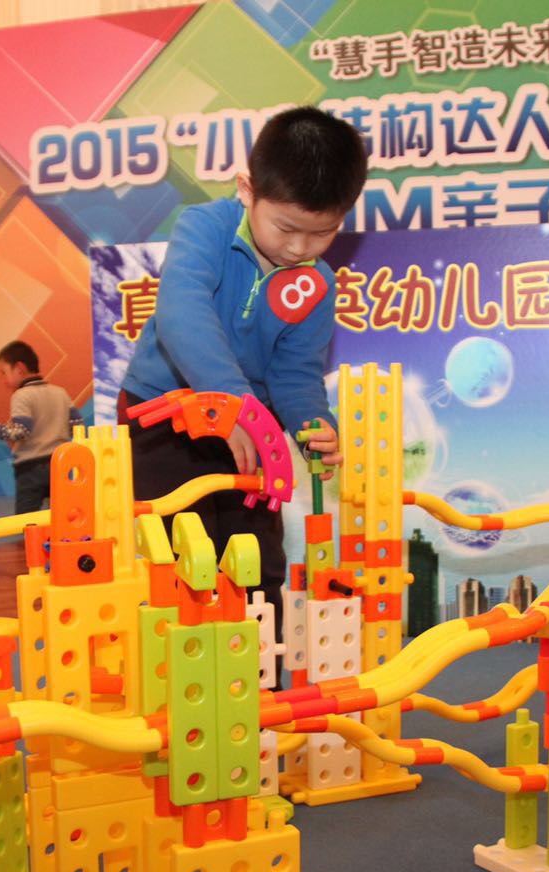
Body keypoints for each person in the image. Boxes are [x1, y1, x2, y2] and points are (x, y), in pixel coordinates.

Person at [117, 104, 367, 626]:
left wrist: (312, 425)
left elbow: (295, 373)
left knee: (255, 560)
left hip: (249, 432)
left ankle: (261, 670)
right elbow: (183, 314)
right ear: (247, 190)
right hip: (164, 417)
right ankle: (175, 666)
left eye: (322, 234)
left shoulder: (317, 285)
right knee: (177, 556)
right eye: (286, 228)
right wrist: (234, 405)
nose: (299, 248)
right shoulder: (204, 228)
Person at [0, 341, 83, 514]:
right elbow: (77, 426)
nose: (3, 380)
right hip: (59, 464)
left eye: (4, 372)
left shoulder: (21, 395)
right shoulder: (60, 392)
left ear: (19, 368)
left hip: (30, 469)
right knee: (62, 515)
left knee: (26, 519)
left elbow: (20, 432)